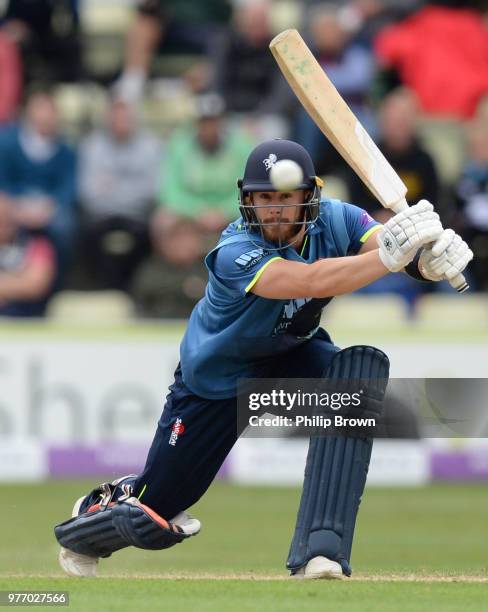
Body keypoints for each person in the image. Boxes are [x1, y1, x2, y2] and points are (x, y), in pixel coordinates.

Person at [54, 140, 472, 579]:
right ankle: (87, 524)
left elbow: (383, 251)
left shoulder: (338, 217)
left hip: (290, 354)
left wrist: (427, 261)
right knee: (157, 509)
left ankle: (321, 552)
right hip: (217, 384)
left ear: (308, 196)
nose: (273, 210)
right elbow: (306, 279)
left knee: (358, 373)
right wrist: (394, 256)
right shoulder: (234, 249)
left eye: (284, 198)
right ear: (247, 200)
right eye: (263, 198)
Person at [78, 97, 161, 290]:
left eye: (126, 118)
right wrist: (129, 190)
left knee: (148, 234)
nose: (121, 123)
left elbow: (151, 191)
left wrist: (111, 189)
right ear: (107, 119)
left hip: (137, 217)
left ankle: (136, 291)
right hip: (101, 216)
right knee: (86, 235)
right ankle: (101, 290)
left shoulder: (150, 146)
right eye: (116, 118)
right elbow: (88, 194)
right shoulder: (92, 146)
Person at [0, 89, 76, 274]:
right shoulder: (7, 143)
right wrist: (16, 206)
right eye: (39, 109)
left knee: (65, 225)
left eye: (49, 110)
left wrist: (50, 207)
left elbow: (68, 187)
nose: (44, 116)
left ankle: (56, 280)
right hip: (14, 203)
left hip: (48, 207)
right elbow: (3, 180)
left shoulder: (66, 151)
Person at [0, 194, 56, 316]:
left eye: (6, 219)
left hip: (24, 318)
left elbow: (36, 285)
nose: (3, 225)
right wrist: (17, 282)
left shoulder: (36, 244)